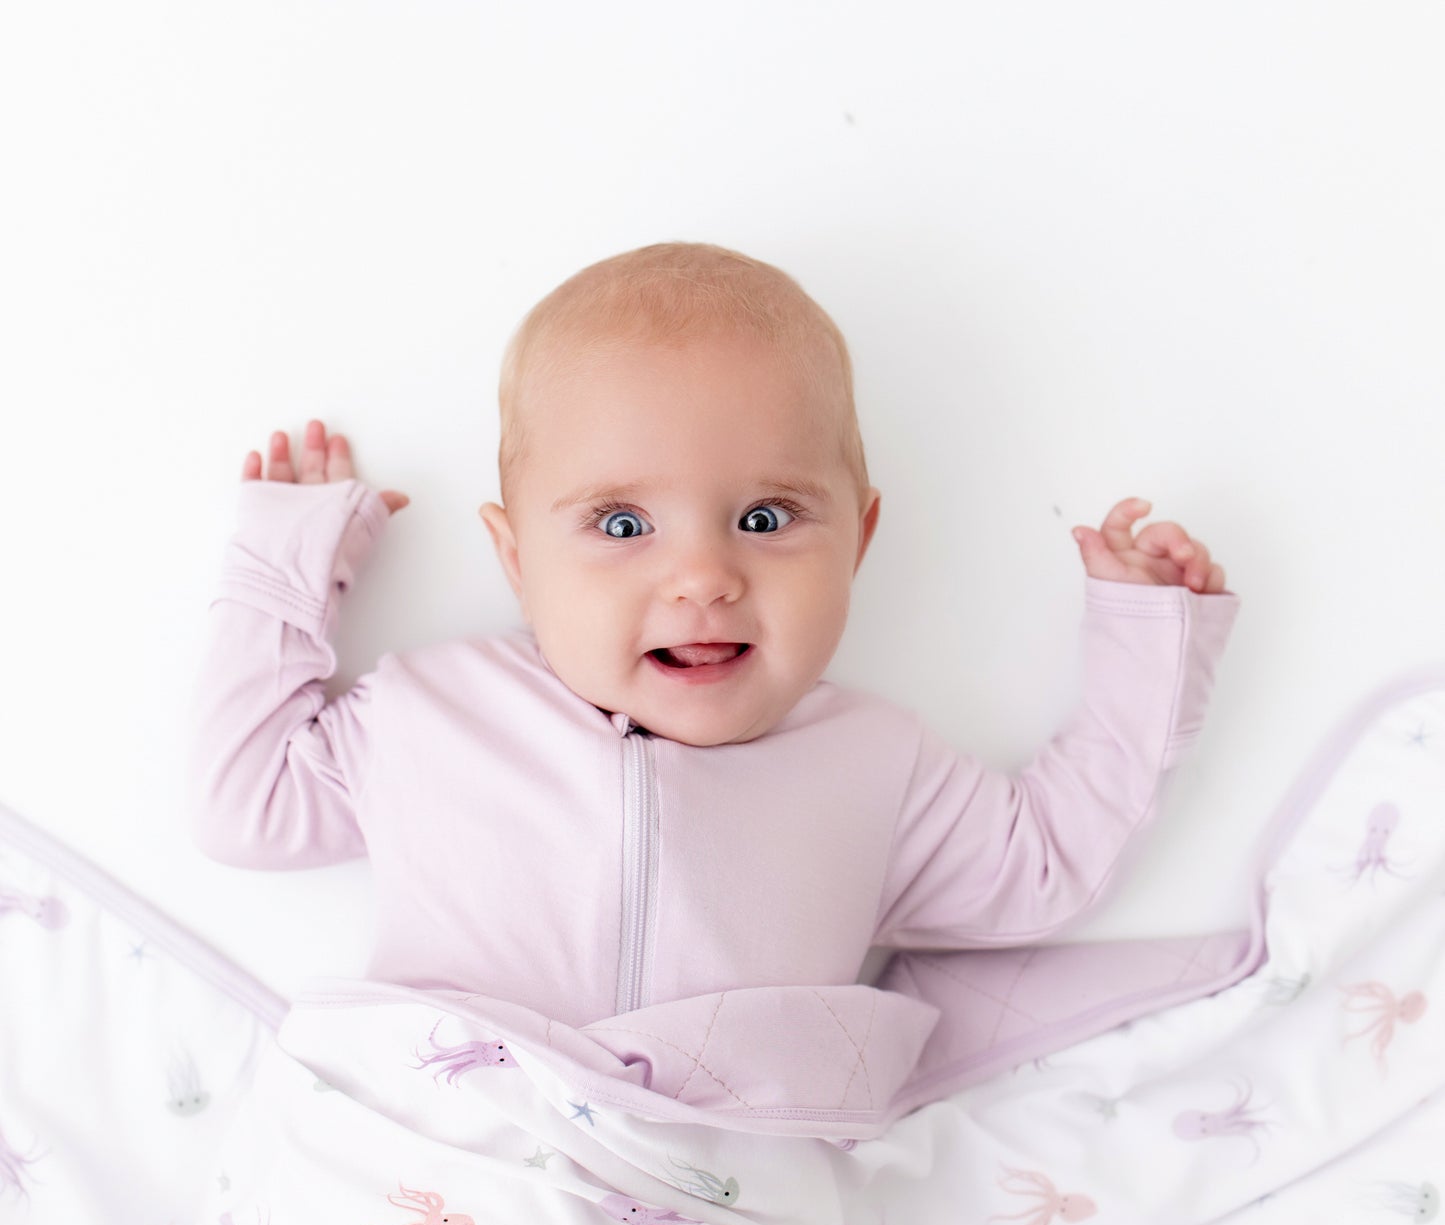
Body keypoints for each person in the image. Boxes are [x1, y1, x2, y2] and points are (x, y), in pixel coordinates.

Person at [189, 241, 1238, 1029]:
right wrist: (288, 563)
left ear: (858, 540)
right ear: (515, 559)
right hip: (452, 1184)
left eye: (765, 519)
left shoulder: (874, 769)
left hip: (716, 1223)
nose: (701, 577)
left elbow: (1046, 863)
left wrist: (1150, 635)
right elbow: (245, 806)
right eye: (621, 525)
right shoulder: (434, 712)